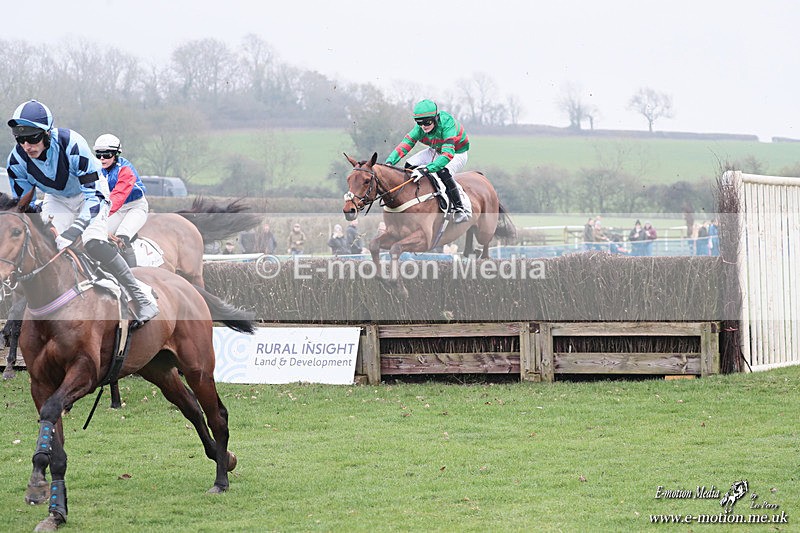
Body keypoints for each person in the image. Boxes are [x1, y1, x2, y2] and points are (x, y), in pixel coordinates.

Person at [5, 100, 158, 325]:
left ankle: (140, 296)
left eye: (33, 137)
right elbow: (25, 207)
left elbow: (93, 195)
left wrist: (75, 229)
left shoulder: (72, 144)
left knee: (93, 242)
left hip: (91, 194)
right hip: (57, 199)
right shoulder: (16, 161)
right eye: (21, 139)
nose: (27, 145)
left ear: (47, 134)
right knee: (45, 246)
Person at [384, 99, 471, 223]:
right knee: (409, 165)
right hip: (436, 150)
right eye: (419, 123)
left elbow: (447, 155)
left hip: (456, 152)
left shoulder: (448, 123)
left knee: (443, 170)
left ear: (436, 118)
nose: (423, 126)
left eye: (427, 122)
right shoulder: (420, 128)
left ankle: (459, 208)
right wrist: (389, 162)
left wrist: (426, 169)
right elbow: (406, 144)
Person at [94, 133, 148, 267]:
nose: (102, 158)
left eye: (106, 155)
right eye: (98, 155)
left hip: (134, 207)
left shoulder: (125, 170)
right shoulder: (97, 169)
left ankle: (133, 275)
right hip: (115, 210)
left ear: (116, 154)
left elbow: (117, 197)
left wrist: (97, 214)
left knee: (122, 237)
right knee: (96, 236)